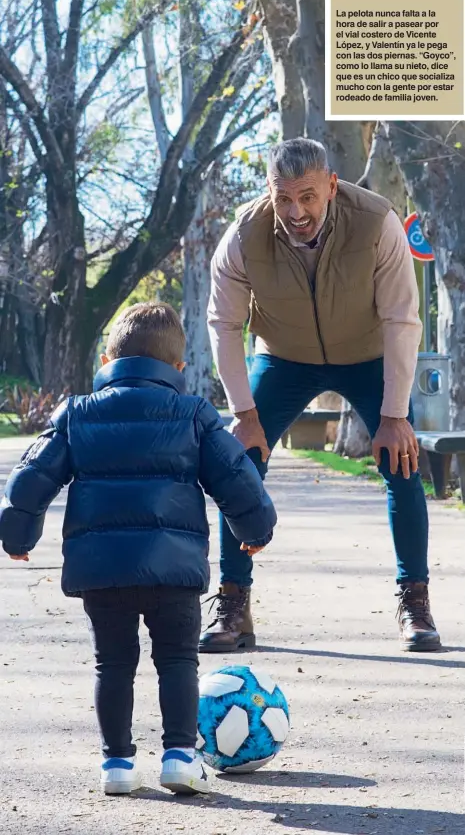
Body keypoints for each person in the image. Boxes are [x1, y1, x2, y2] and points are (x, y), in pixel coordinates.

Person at [0, 302, 276, 796]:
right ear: (178, 367)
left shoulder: (77, 413)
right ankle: (178, 756)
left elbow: (30, 480)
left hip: (102, 571)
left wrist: (18, 536)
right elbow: (238, 479)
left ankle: (118, 765)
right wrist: (254, 529)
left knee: (113, 662)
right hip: (173, 569)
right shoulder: (193, 414)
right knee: (176, 661)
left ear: (109, 358)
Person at [201, 136, 441, 656]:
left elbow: (402, 319)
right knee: (238, 461)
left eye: (308, 196)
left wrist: (394, 414)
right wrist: (244, 414)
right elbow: (223, 324)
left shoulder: (377, 222)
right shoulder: (244, 235)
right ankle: (233, 601)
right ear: (270, 192)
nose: (296, 211)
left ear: (332, 186)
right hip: (284, 355)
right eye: (284, 198)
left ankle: (414, 601)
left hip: (367, 352)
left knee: (400, 461)